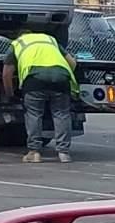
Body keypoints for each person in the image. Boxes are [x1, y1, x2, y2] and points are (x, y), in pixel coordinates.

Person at [10, 21, 79, 163]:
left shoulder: (18, 43)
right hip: (61, 79)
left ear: (18, 36)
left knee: (34, 114)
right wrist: (60, 74)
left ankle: (34, 152)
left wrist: (10, 92)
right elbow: (72, 62)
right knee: (61, 114)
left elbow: (7, 72)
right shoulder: (50, 40)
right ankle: (63, 153)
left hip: (35, 81)